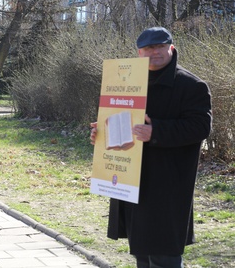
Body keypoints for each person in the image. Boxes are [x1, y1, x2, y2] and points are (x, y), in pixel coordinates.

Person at [90, 27, 212, 268]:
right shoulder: (127, 82)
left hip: (168, 181)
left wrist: (156, 131)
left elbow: (200, 127)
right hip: (130, 176)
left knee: (164, 254)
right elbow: (118, 117)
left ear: (172, 49)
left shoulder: (191, 85)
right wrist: (101, 134)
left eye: (159, 47)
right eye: (148, 48)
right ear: (139, 52)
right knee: (142, 252)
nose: (154, 52)